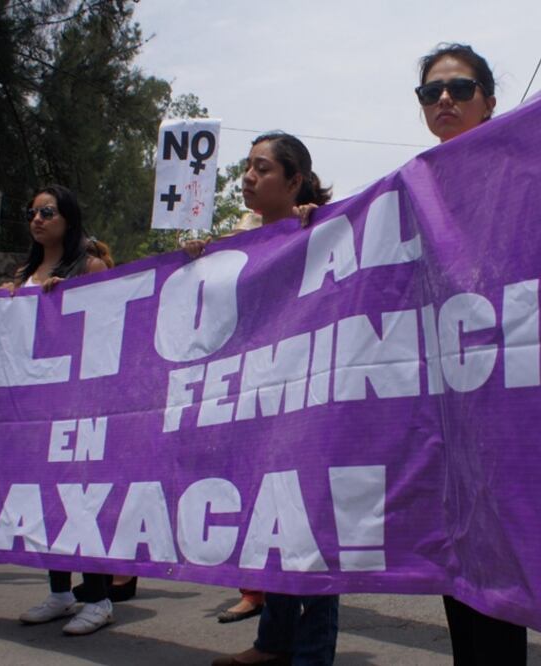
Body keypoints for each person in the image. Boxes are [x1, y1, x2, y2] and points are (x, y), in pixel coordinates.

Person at [415, 42, 532, 665]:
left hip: (518, 402)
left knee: (499, 569)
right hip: (447, 417)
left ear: (489, 101)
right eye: (432, 91)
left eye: (461, 89)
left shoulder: (527, 165)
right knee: (460, 564)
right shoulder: (409, 189)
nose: (444, 100)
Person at [208, 132, 335, 666]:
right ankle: (273, 642)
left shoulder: (327, 233)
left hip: (311, 404)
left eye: (262, 168)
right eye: (247, 167)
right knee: (272, 525)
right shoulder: (235, 245)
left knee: (312, 531)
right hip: (256, 406)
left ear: (295, 180)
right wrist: (199, 261)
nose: (248, 177)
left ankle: (310, 653)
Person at [5, 185, 111, 635]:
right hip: (36, 404)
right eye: (32, 212)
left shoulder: (90, 265)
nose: (38, 218)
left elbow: (111, 328)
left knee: (82, 499)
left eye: (48, 211)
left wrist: (72, 299)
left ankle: (99, 596)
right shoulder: (23, 272)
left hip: (80, 401)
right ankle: (60, 591)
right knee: (47, 498)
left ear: (69, 217)